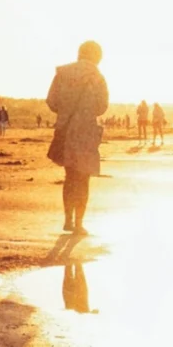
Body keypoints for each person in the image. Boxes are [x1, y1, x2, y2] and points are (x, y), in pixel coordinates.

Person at [46, 40, 109, 235]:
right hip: (86, 132)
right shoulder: (97, 76)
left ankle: (68, 220)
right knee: (83, 178)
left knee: (70, 176)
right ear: (97, 56)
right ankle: (79, 223)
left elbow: (51, 101)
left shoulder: (62, 73)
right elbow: (102, 106)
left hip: (65, 131)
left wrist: (65, 112)